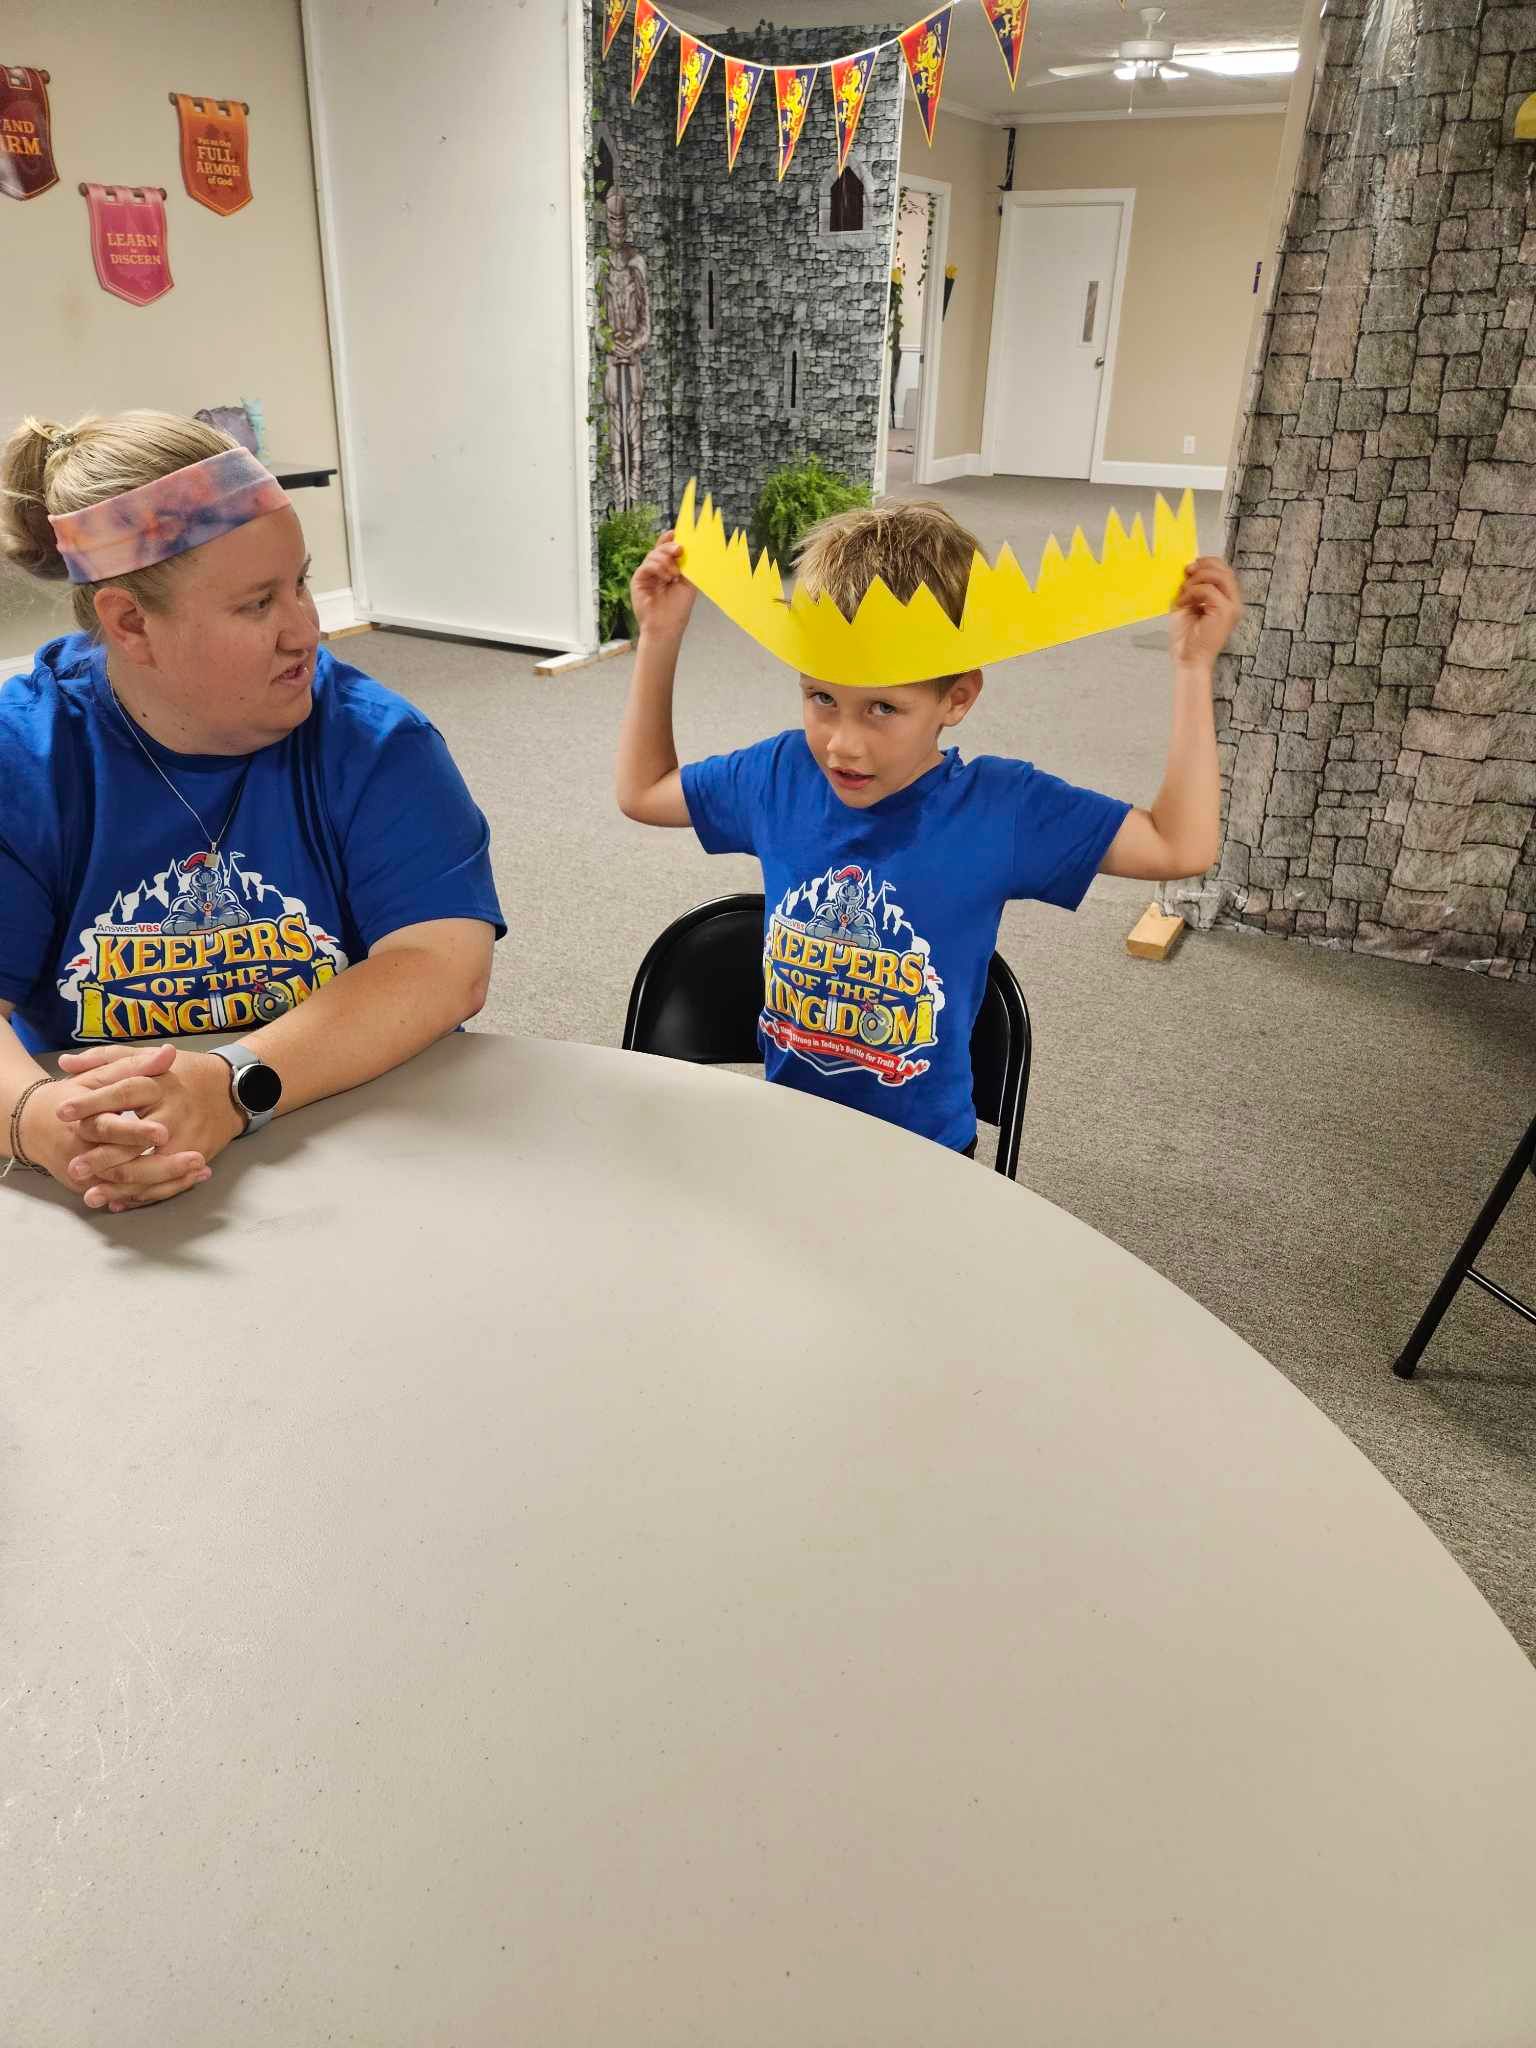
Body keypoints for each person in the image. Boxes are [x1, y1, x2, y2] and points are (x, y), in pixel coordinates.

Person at [615, 497, 1241, 1156]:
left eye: (883, 708)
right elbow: (643, 792)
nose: (841, 746)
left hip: (927, 1158)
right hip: (790, 1139)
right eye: (821, 697)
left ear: (957, 698)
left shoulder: (1002, 809)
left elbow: (1182, 845)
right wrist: (659, 638)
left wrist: (1193, 670)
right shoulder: (781, 775)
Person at [0, 410, 504, 1212]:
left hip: (360, 1147)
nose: (308, 630)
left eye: (301, 582)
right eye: (257, 604)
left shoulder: (376, 744)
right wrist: (44, 1123)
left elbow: (443, 965)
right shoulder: (25, 759)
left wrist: (231, 1087)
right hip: (107, 1177)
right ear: (129, 622)